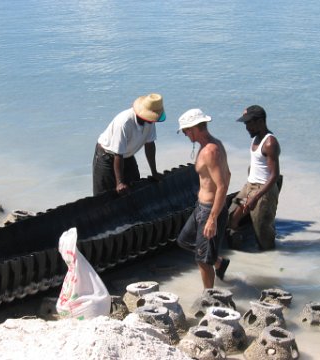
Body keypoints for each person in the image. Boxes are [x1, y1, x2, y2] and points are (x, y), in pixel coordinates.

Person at [176, 108, 231, 288]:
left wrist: (213, 218)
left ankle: (209, 298)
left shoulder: (210, 151)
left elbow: (222, 185)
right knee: (184, 240)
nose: (185, 134)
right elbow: (228, 174)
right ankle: (219, 262)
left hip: (209, 210)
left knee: (202, 261)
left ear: (194, 128)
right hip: (201, 206)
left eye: (185, 131)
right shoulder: (211, 145)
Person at [228, 105, 281, 250]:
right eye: (245, 123)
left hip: (264, 192)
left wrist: (256, 197)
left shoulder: (270, 143)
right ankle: (238, 251)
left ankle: (269, 263)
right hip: (249, 187)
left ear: (260, 122)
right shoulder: (255, 138)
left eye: (249, 123)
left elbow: (274, 175)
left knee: (263, 235)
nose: (246, 127)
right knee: (232, 217)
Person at [92, 93, 166, 196]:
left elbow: (149, 145)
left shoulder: (150, 122)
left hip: (126, 155)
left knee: (134, 187)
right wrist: (120, 182)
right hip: (107, 156)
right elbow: (118, 154)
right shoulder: (124, 122)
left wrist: (154, 172)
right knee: (104, 195)